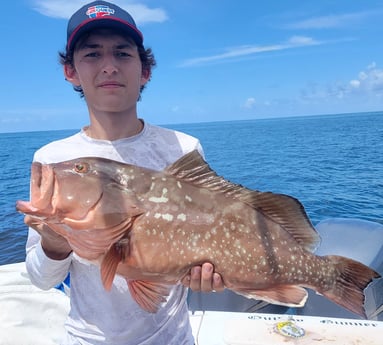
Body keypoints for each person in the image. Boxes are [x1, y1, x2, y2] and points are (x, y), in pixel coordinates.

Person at [25, 1, 224, 344]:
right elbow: (42, 280)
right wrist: (54, 241)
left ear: (145, 70)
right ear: (70, 71)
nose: (109, 67)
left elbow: (212, 233)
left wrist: (210, 273)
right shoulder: (53, 159)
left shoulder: (184, 148)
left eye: (122, 53)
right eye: (91, 54)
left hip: (173, 337)